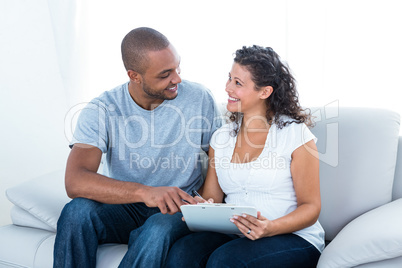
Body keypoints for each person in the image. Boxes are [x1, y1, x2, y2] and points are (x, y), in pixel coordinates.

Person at [53, 27, 222, 268]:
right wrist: (145, 192)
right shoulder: (102, 109)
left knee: (157, 228)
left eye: (177, 68)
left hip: (176, 209)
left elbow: (219, 158)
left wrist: (206, 203)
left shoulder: (199, 98)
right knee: (76, 212)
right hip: (124, 207)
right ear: (134, 76)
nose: (177, 79)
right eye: (165, 74)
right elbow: (75, 181)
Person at [166, 45, 325, 268]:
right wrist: (201, 207)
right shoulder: (221, 138)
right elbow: (213, 196)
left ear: (264, 92)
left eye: (238, 83)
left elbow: (311, 207)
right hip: (236, 234)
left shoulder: (295, 135)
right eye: (229, 78)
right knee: (183, 252)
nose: (227, 87)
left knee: (226, 261)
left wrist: (270, 227)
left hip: (292, 237)